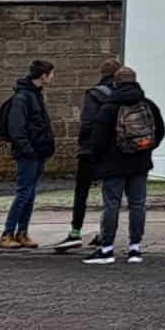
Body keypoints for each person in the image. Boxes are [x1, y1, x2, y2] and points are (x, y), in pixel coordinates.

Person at [80, 64, 165, 266]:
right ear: (135, 81)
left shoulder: (109, 107)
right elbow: (159, 132)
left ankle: (107, 249)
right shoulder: (148, 105)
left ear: (116, 83)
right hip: (140, 163)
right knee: (137, 205)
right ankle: (135, 248)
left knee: (112, 205)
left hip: (113, 165)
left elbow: (97, 140)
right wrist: (145, 150)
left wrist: (96, 161)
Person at [53, 56, 120, 252]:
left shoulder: (94, 94)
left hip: (91, 150)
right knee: (110, 195)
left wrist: (83, 142)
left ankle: (75, 233)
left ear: (102, 73)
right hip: (114, 151)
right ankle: (105, 233)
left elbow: (87, 123)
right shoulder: (122, 95)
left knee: (81, 192)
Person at [0, 59, 56, 250]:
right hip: (28, 154)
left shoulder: (35, 94)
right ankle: (7, 233)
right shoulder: (23, 97)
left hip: (37, 153)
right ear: (43, 76)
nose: (53, 78)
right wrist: (29, 150)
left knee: (30, 194)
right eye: (51, 74)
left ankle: (22, 232)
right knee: (23, 193)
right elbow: (16, 129)